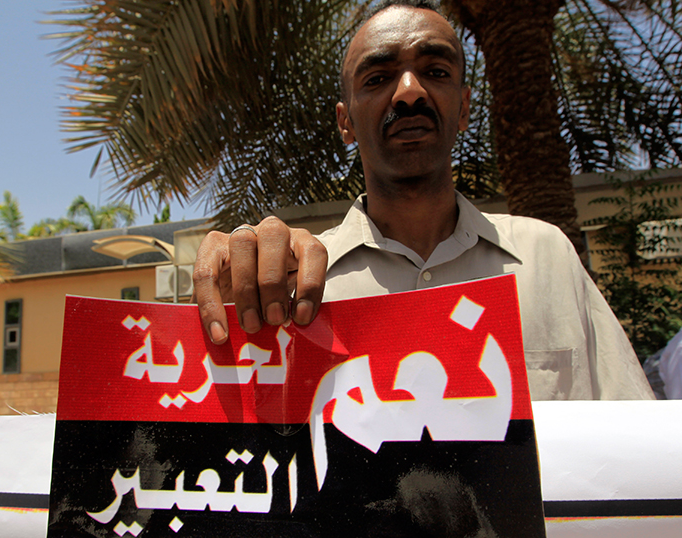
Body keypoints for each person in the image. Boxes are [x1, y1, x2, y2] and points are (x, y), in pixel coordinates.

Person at [193, 0, 654, 400]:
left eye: (435, 72)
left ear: (465, 107)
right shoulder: (294, 283)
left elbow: (635, 447)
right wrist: (237, 306)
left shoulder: (544, 255)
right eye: (377, 78)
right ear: (345, 123)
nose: (410, 92)